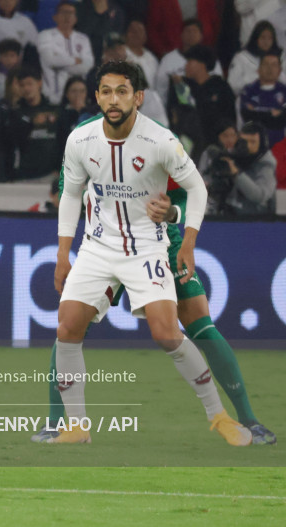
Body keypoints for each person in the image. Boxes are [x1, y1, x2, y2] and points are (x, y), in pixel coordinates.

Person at [49, 60, 251, 446]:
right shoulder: (81, 139)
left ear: (138, 97)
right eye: (106, 91)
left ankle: (219, 416)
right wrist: (63, 253)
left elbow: (198, 189)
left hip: (146, 248)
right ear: (97, 96)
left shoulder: (160, 141)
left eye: (122, 91)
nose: (113, 99)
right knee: (67, 327)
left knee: (166, 332)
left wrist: (188, 242)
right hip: (97, 247)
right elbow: (71, 194)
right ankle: (77, 426)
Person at [208, 121, 277, 217]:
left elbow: (260, 195)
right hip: (230, 217)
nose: (248, 146)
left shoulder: (266, 165)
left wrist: (236, 174)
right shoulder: (234, 157)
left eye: (253, 142)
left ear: (261, 144)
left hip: (258, 221)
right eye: (244, 142)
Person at [37, 1, 93, 105]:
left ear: (75, 19)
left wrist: (59, 64)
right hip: (51, 95)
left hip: (77, 97)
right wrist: (74, 60)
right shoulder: (45, 35)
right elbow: (49, 60)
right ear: (55, 17)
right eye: (64, 13)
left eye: (71, 13)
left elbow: (87, 65)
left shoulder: (83, 39)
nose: (67, 17)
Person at [239, 52, 286, 147]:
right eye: (266, 64)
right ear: (258, 69)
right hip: (252, 146)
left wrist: (258, 112)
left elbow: (281, 120)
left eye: (274, 65)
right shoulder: (248, 91)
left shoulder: (284, 91)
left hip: (279, 146)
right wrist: (272, 114)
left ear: (280, 70)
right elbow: (247, 116)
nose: (270, 68)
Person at [227, 20, 286, 96]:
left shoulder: (281, 56)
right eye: (263, 38)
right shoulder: (242, 57)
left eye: (270, 38)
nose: (266, 42)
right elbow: (232, 85)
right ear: (256, 38)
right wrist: (257, 78)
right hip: (249, 100)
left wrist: (276, 76)